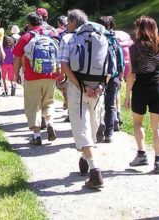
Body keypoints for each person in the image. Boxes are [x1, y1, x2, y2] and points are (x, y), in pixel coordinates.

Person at [59, 9, 106, 189]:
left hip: (78, 90)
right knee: (91, 129)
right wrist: (100, 86)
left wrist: (80, 86)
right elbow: (110, 65)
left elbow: (64, 66)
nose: (66, 25)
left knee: (81, 128)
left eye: (67, 22)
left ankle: (95, 172)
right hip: (97, 90)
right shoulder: (102, 36)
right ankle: (84, 157)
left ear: (72, 22)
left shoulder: (67, 39)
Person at [123, 16, 159, 175]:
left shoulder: (134, 48)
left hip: (141, 88)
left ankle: (141, 154)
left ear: (141, 29)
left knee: (138, 123)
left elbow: (131, 75)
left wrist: (127, 95)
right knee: (157, 127)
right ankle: (158, 161)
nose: (134, 31)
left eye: (136, 28)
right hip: (157, 87)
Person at [13, 12, 58, 146]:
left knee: (33, 106)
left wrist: (16, 74)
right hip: (50, 75)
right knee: (48, 102)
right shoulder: (50, 34)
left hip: (32, 76)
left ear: (29, 23)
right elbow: (58, 53)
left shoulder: (26, 37)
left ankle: (37, 136)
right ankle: (50, 123)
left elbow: (16, 57)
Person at [97, 15, 132, 142]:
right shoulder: (114, 40)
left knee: (97, 103)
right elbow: (121, 61)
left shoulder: (96, 39)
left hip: (98, 76)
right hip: (114, 76)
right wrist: (121, 75)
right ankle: (109, 134)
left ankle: (99, 124)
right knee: (110, 106)